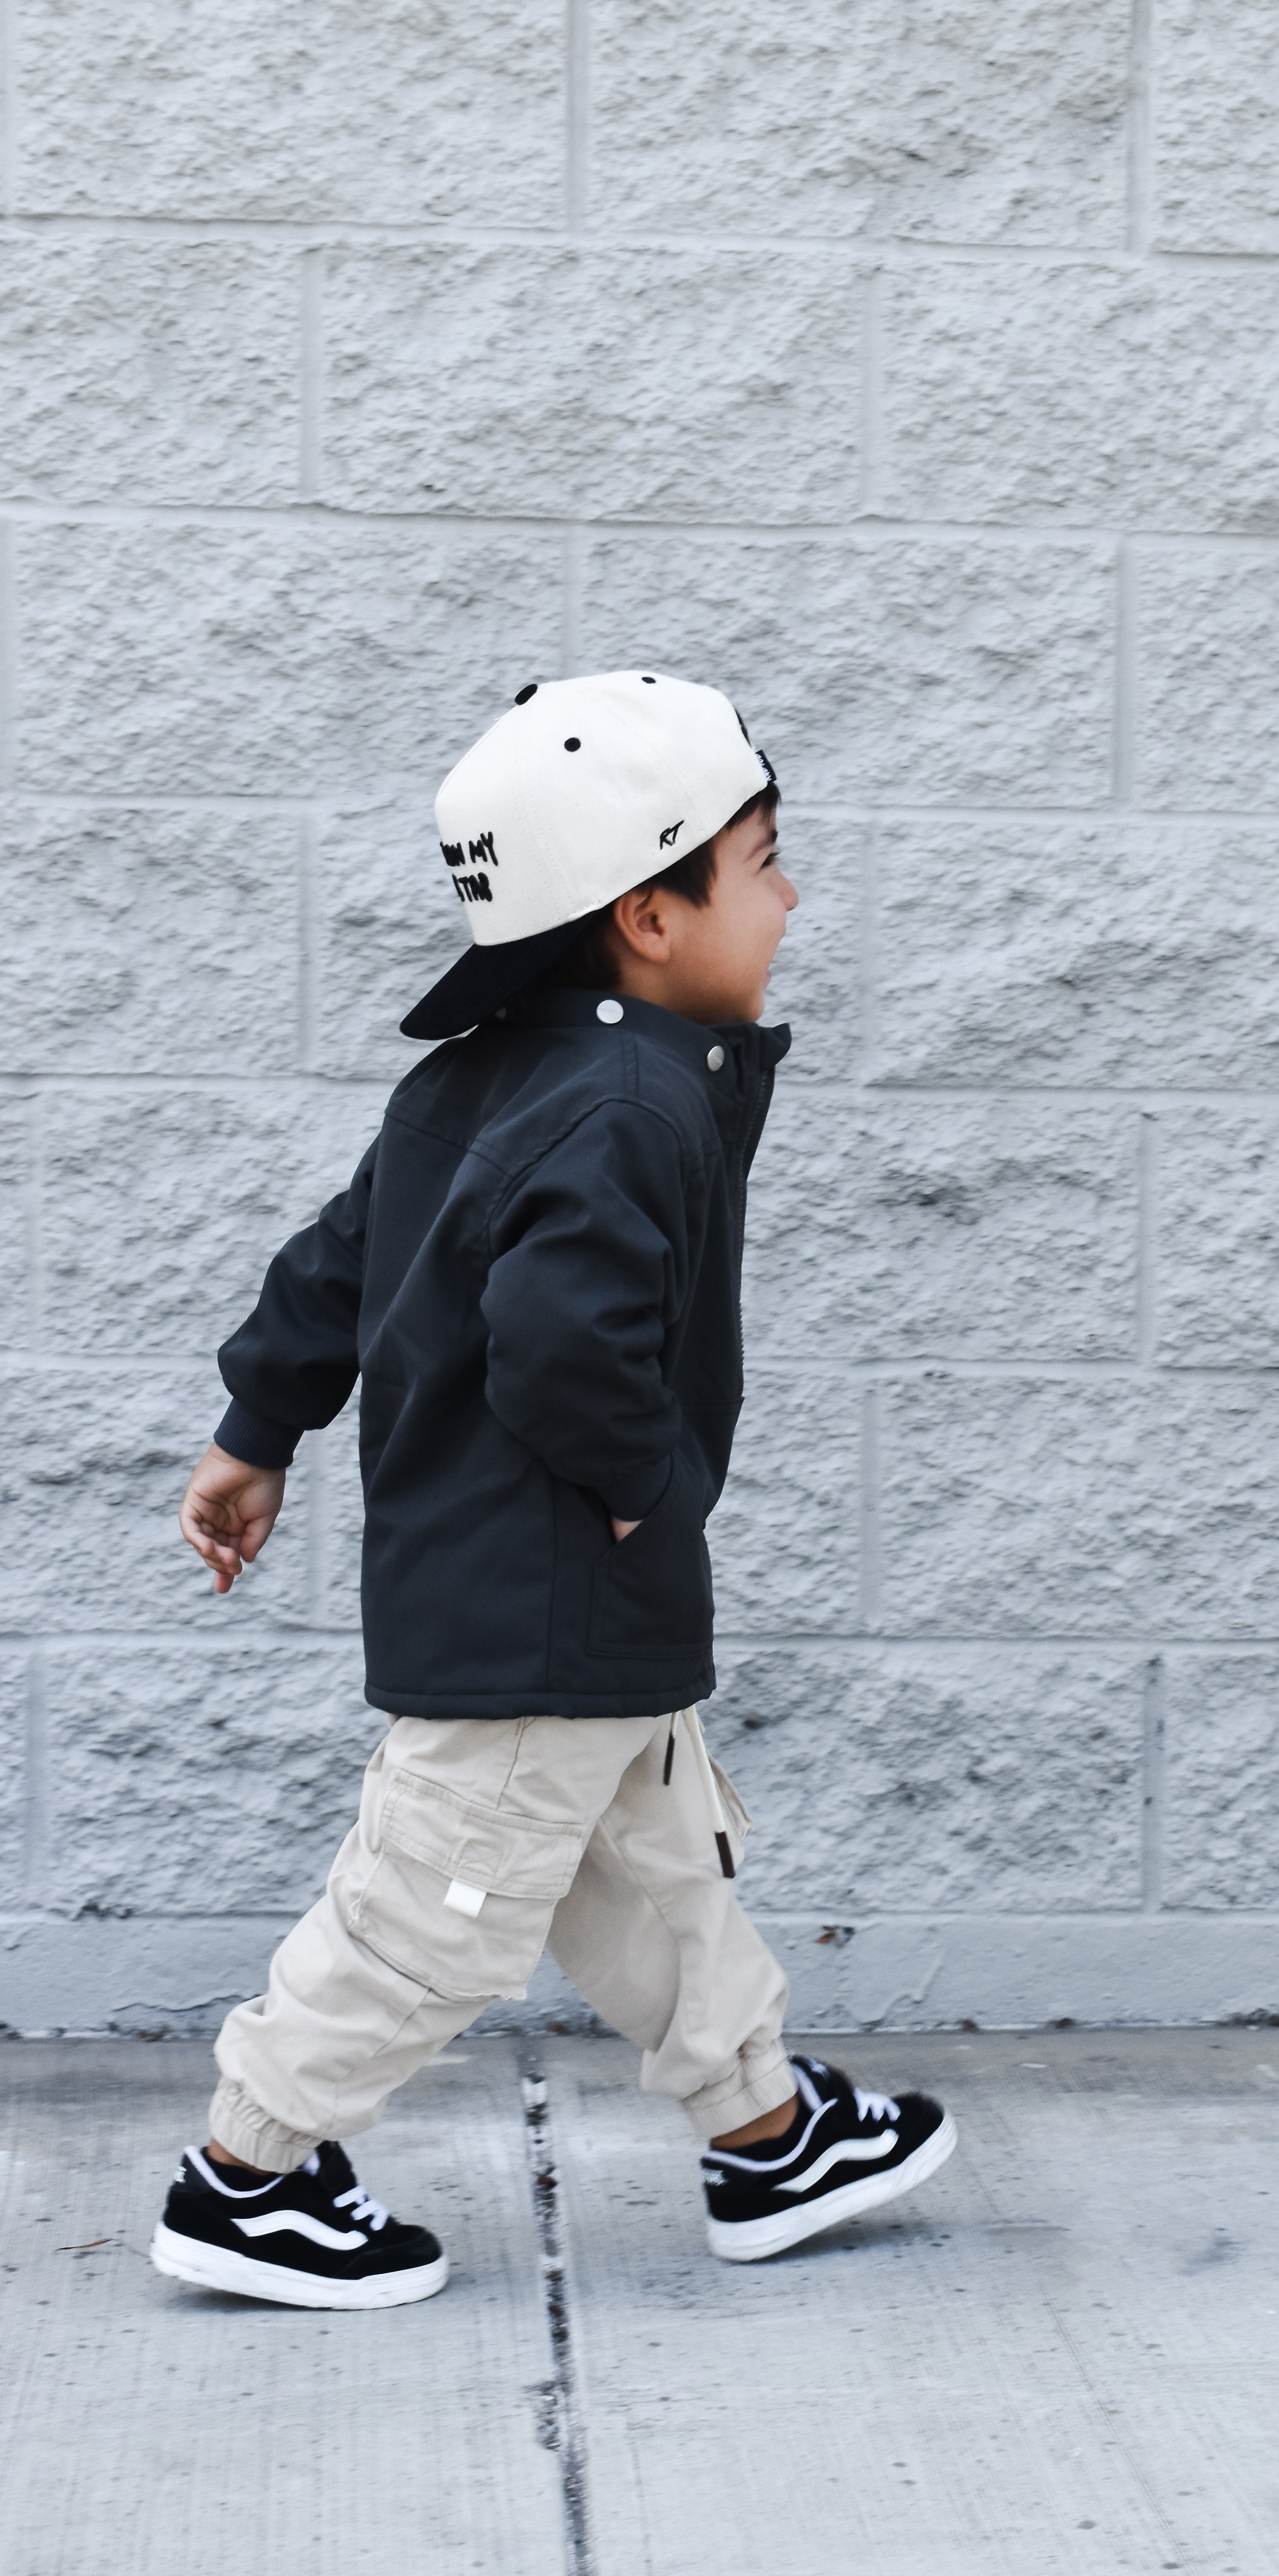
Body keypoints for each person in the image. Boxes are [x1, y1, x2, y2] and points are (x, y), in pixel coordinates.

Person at [148, 671, 956, 2310]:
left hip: (569, 1600)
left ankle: (764, 2132)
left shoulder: (480, 1077)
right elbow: (561, 1341)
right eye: (765, 860)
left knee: (661, 1868)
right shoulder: (628, 1096)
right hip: (548, 1591)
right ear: (651, 914)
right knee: (434, 1912)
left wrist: (255, 1432)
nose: (792, 896)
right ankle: (251, 2170)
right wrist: (649, 1492)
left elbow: (336, 1262)